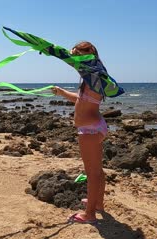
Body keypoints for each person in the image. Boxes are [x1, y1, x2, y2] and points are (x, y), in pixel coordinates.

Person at [51, 41, 107, 224]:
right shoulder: (93, 78)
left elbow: (71, 61)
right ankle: (97, 203)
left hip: (90, 131)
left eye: (77, 55)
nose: (74, 59)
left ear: (89, 53)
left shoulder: (93, 74)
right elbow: (82, 100)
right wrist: (61, 92)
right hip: (95, 127)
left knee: (92, 173)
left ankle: (89, 214)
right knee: (97, 171)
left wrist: (52, 51)